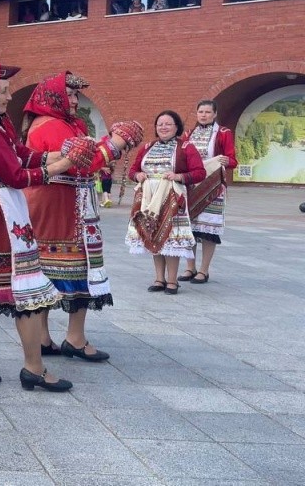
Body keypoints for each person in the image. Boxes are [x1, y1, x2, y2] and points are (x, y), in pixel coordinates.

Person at [0, 62, 79, 393]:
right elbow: (17, 175)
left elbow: (21, 154)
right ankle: (34, 368)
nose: (8, 97)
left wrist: (54, 154)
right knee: (26, 284)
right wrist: (65, 164)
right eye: (3, 92)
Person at [20, 72, 134, 363]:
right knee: (78, 267)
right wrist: (115, 142)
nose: (74, 100)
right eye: (69, 94)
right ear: (53, 97)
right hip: (61, 208)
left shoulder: (63, 123)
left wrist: (107, 144)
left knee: (46, 269)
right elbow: (81, 164)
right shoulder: (51, 124)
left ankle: (43, 338)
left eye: (75, 95)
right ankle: (75, 338)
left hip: (58, 205)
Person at [125, 111, 206, 295]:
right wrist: (138, 175)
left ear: (177, 127)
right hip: (149, 199)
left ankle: (172, 281)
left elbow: (199, 172)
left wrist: (179, 176)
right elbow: (132, 170)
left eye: (168, 124)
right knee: (153, 234)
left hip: (172, 198)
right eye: (160, 124)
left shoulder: (186, 147)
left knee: (171, 238)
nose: (163, 127)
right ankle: (159, 278)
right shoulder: (147, 147)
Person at [179, 99, 237, 284]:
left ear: (215, 114)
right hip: (191, 185)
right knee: (189, 227)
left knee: (208, 228)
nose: (203, 115)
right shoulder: (189, 134)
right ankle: (190, 267)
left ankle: (204, 270)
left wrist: (226, 161)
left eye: (207, 112)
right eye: (200, 112)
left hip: (213, 186)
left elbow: (232, 160)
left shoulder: (223, 133)